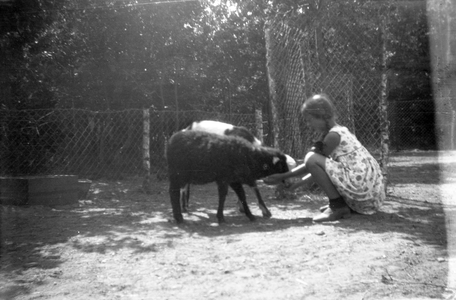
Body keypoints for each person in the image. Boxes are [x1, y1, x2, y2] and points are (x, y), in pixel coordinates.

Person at [263, 94, 385, 222]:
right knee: (314, 159)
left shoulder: (333, 136)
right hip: (369, 195)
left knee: (311, 157)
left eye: (309, 120)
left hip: (359, 186)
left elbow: (311, 163)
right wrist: (297, 185)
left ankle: (337, 206)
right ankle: (342, 204)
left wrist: (283, 176)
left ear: (322, 116)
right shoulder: (342, 130)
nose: (309, 124)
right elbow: (323, 170)